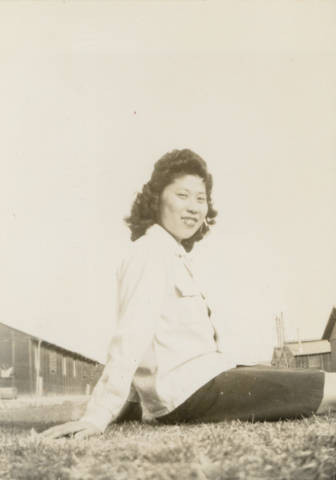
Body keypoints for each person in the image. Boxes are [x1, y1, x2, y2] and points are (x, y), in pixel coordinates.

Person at [41, 148, 336, 440]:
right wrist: (98, 415)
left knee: (309, 382)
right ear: (156, 200)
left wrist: (133, 407)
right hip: (189, 392)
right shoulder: (150, 254)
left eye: (201, 198)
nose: (194, 207)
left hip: (204, 380)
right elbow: (132, 337)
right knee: (329, 389)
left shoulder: (171, 254)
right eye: (182, 196)